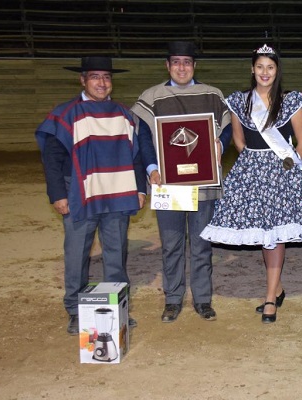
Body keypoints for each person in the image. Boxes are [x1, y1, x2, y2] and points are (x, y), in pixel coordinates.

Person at [200, 44, 302, 323]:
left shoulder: (290, 101)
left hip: (282, 175)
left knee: (274, 235)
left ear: (277, 71)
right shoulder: (240, 101)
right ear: (253, 69)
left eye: (270, 67)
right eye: (260, 66)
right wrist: (255, 164)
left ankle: (270, 297)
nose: (265, 72)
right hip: (252, 174)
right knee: (265, 235)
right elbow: (238, 140)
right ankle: (278, 288)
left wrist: (288, 163)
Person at [35, 56, 148, 335]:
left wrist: (140, 188)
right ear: (82, 80)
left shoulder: (124, 114)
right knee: (77, 253)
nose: (102, 82)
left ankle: (116, 305)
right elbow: (52, 157)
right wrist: (57, 194)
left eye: (106, 77)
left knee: (115, 253)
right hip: (78, 193)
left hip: (118, 194)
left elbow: (136, 156)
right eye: (95, 77)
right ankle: (74, 309)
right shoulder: (66, 114)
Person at [131, 41, 231, 323]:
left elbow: (224, 131)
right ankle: (173, 299)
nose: (182, 67)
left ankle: (202, 299)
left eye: (187, 62)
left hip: (204, 182)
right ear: (167, 65)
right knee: (172, 244)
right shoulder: (152, 96)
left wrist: (220, 146)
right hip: (169, 185)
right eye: (176, 62)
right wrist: (151, 168)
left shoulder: (213, 94)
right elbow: (144, 138)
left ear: (194, 65)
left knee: (201, 244)